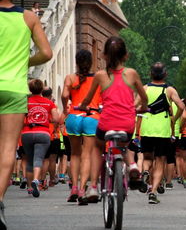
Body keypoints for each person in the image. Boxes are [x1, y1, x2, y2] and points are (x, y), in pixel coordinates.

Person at [0, 0, 52, 230]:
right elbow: (46, 53)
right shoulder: (28, 17)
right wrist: (25, 61)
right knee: (8, 148)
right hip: (13, 88)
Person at [80, 36, 148, 203]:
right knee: (124, 146)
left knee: (97, 147)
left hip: (107, 122)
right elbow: (144, 97)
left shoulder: (100, 76)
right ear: (126, 55)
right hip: (127, 123)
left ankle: (94, 186)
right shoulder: (131, 74)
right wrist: (142, 107)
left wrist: (83, 106)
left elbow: (88, 100)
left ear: (104, 56)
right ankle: (132, 166)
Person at [140, 62, 184, 204]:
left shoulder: (145, 88)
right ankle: (153, 192)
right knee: (160, 161)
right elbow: (182, 106)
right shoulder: (169, 90)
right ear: (165, 74)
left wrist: (144, 111)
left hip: (147, 128)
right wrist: (174, 118)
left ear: (150, 74)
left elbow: (134, 106)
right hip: (163, 130)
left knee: (147, 158)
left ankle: (145, 171)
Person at [62, 49, 101, 205]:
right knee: (87, 154)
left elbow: (65, 95)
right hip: (92, 117)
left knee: (75, 154)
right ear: (91, 62)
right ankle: (83, 189)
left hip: (73, 116)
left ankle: (74, 188)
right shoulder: (98, 79)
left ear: (76, 62)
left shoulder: (71, 78)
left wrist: (66, 107)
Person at [21, 79, 59, 198]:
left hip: (27, 132)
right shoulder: (49, 103)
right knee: (39, 158)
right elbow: (56, 118)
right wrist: (48, 120)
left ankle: (29, 187)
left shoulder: (25, 102)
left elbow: (20, 117)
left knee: (29, 159)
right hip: (43, 132)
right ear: (41, 89)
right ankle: (36, 180)